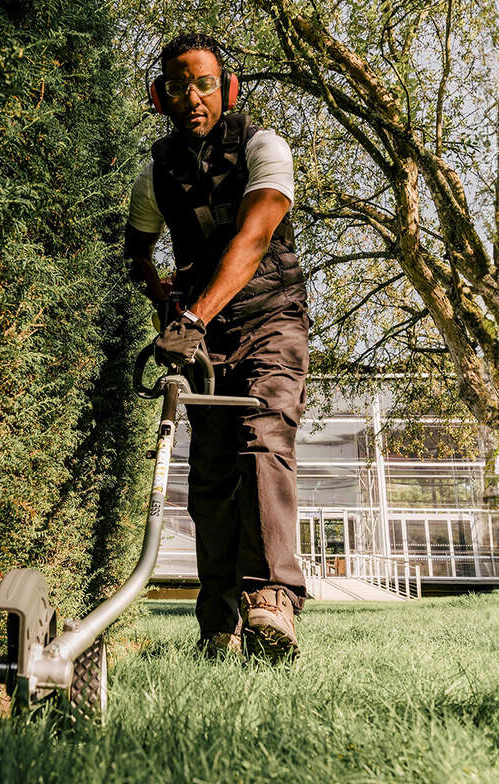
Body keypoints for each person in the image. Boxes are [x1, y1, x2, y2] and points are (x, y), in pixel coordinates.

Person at [125, 32, 309, 660]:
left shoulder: (264, 148)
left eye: (204, 83)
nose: (192, 96)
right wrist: (166, 305)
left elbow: (254, 237)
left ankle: (273, 601)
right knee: (208, 476)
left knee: (263, 439)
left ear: (227, 90)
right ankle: (218, 621)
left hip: (270, 322)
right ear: (161, 96)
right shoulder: (155, 172)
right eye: (178, 85)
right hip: (201, 340)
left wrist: (193, 314)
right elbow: (137, 250)